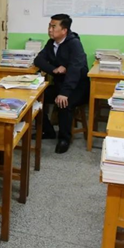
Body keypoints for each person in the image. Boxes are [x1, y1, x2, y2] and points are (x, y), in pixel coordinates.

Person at [34, 14, 89, 154]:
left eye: (53, 27)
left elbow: (75, 70)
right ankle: (48, 131)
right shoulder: (51, 43)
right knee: (37, 98)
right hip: (60, 84)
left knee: (65, 102)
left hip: (77, 87)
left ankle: (64, 138)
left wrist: (65, 92)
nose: (50, 29)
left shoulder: (74, 44)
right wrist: (54, 70)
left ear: (64, 30)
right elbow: (38, 60)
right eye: (49, 26)